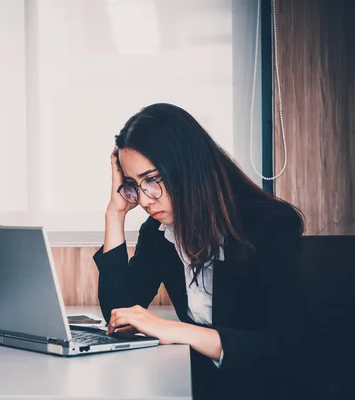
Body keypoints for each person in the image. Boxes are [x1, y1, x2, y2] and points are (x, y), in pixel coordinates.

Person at [93, 103, 305, 400]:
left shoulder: (269, 226)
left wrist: (175, 331)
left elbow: (282, 348)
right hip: (195, 385)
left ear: (186, 165)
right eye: (133, 186)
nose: (143, 200)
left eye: (151, 180)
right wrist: (115, 214)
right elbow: (120, 315)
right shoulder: (158, 232)